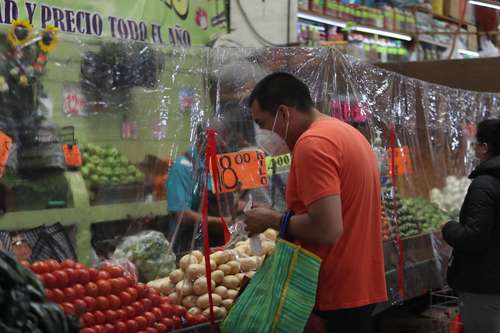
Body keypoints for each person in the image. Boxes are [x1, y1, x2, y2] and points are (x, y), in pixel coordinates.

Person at [244, 72, 387, 332]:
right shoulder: (346, 133)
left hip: (332, 292)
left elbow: (327, 229)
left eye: (262, 124)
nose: (262, 134)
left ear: (284, 114)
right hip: (359, 284)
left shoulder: (313, 144)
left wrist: (272, 220)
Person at [442, 119, 500, 333]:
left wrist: (448, 227)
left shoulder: (484, 184)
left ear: (485, 148)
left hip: (484, 285)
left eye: (476, 143)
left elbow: (474, 237)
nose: (474, 147)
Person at [166, 125, 230, 254]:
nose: (225, 144)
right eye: (219, 139)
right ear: (202, 140)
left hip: (218, 243)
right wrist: (222, 222)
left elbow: (225, 200)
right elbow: (182, 215)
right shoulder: (182, 167)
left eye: (225, 138)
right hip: (190, 246)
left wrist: (247, 207)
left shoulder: (218, 163)